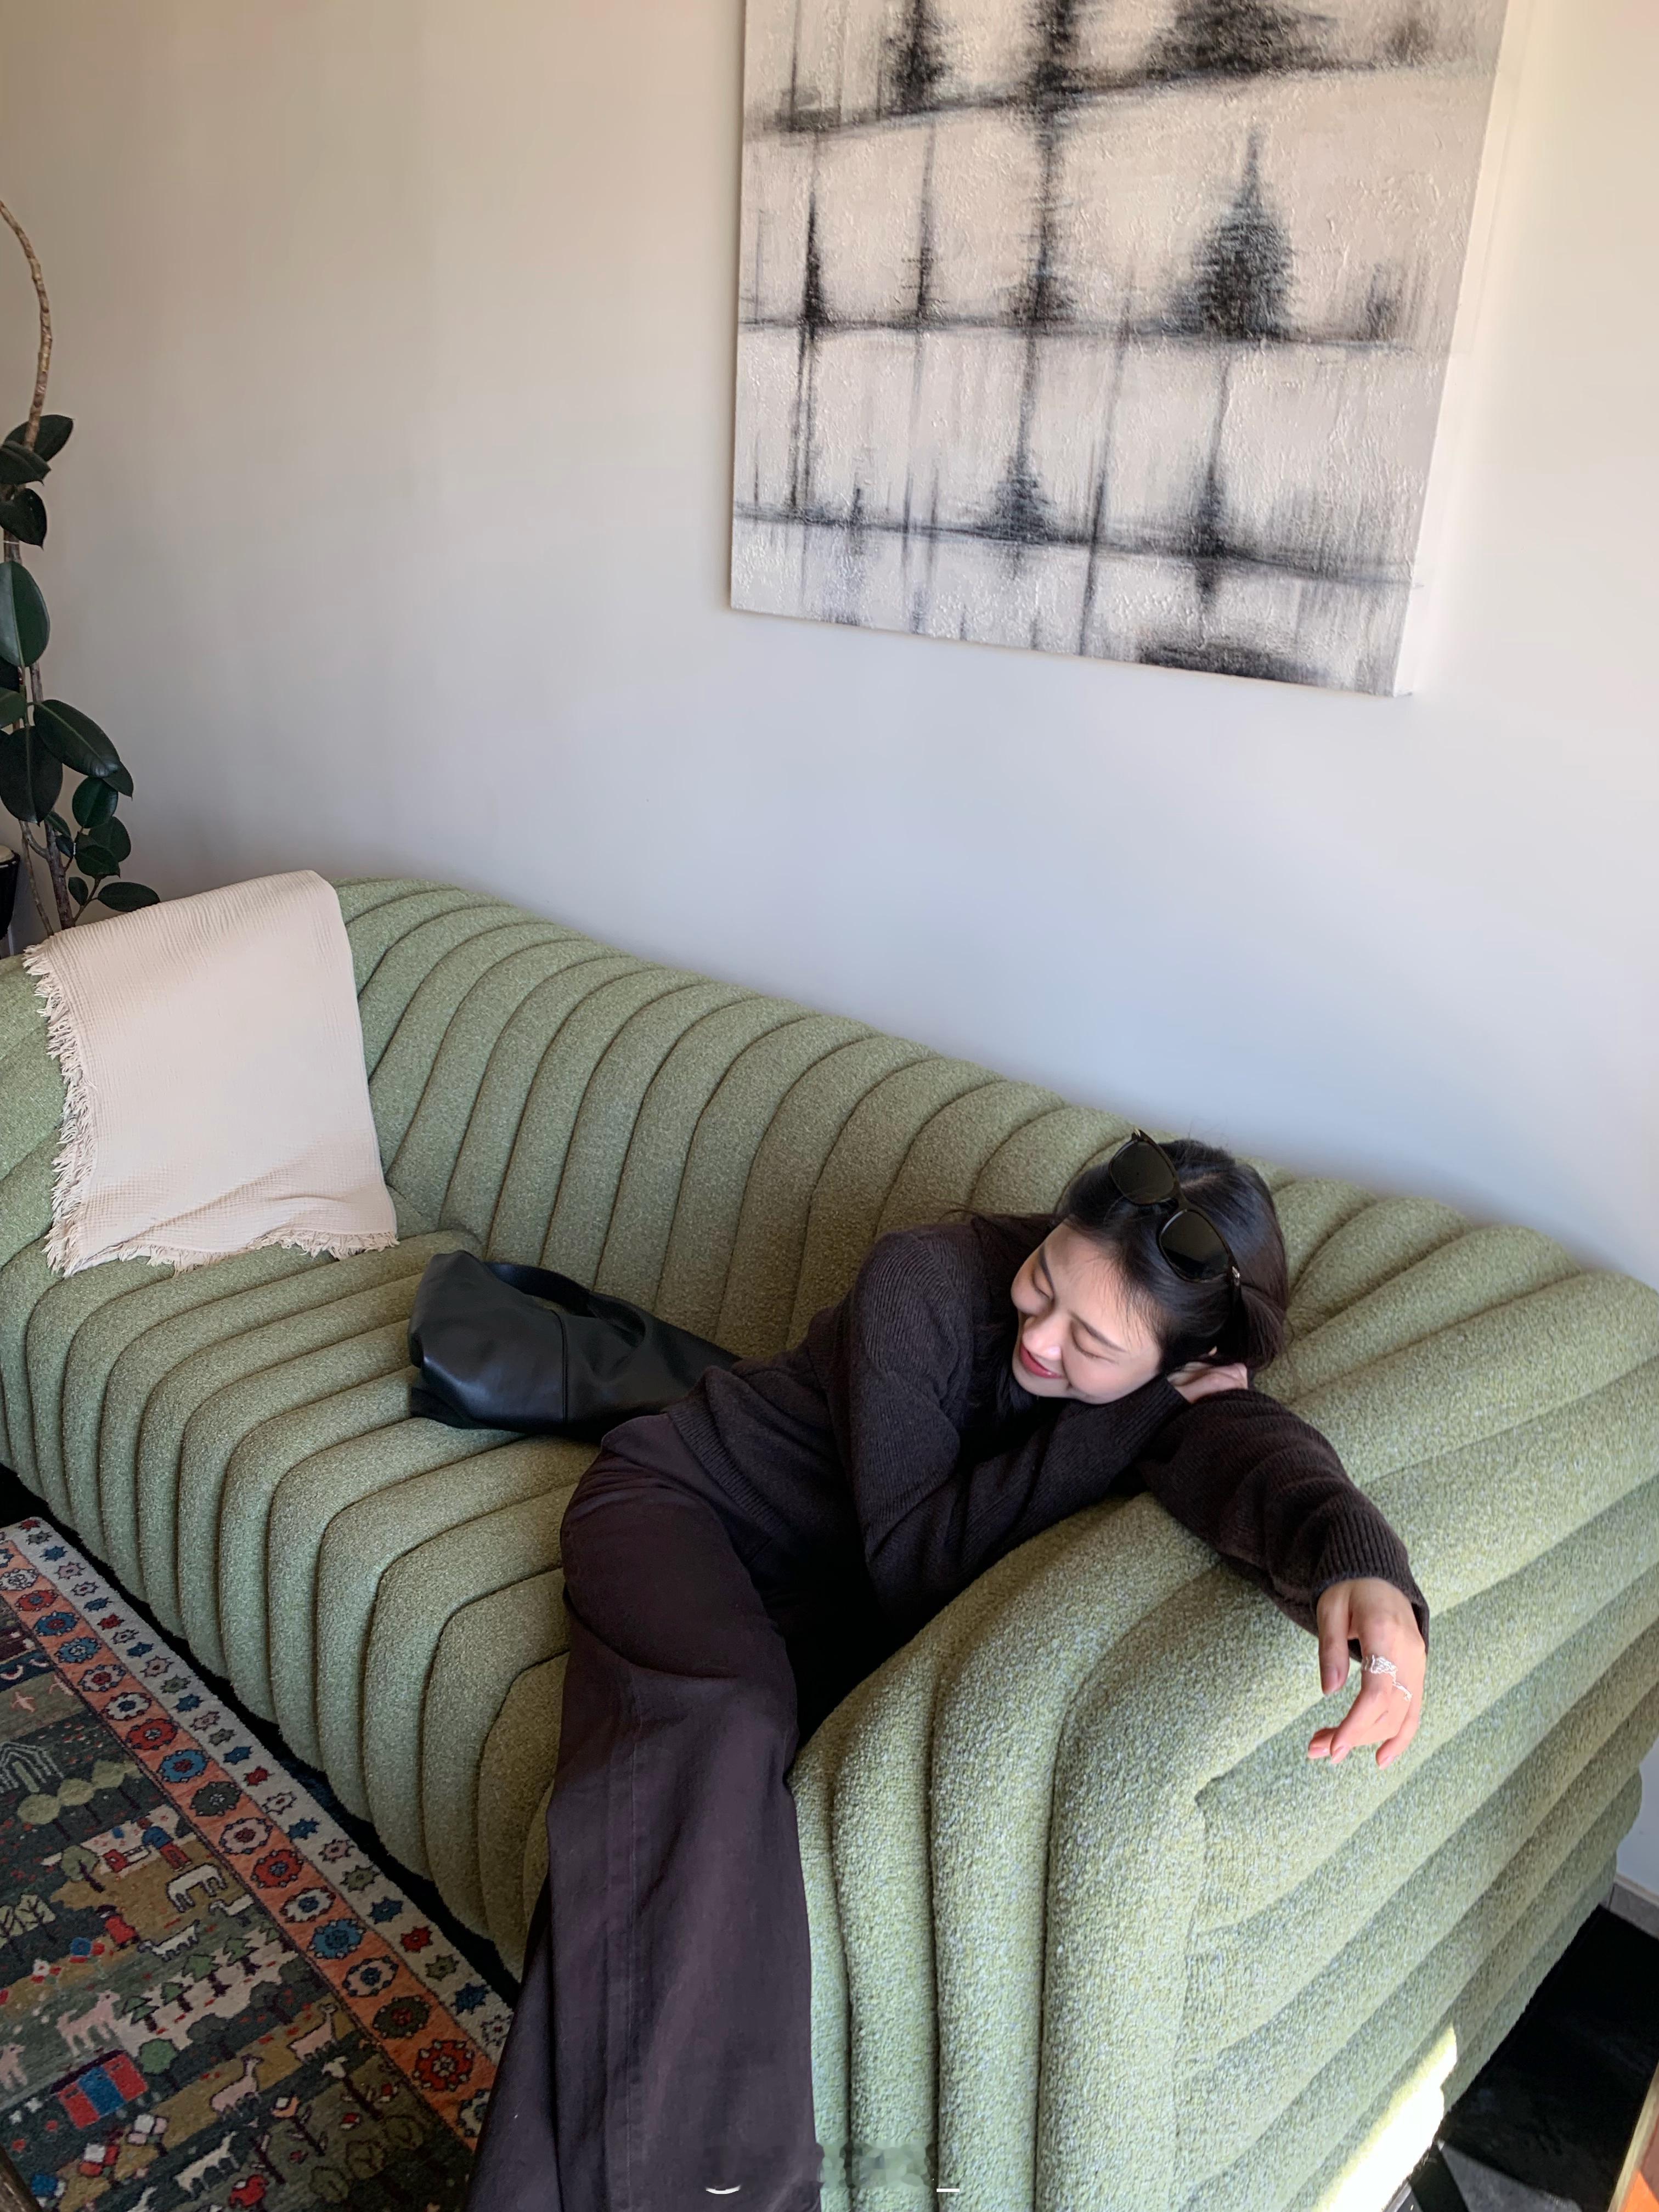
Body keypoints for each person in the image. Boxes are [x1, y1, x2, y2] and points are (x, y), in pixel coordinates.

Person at [465, 1131, 1429, 2212]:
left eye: (1093, 1341)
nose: (1042, 1337)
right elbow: (914, 1566)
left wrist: (1363, 1565)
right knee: (724, 1728)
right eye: (1045, 1280)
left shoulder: (1166, 1380)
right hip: (680, 1513)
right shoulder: (922, 1282)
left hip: (807, 1608)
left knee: (672, 1826)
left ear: (1186, 1357)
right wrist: (1143, 1407)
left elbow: (1255, 1453)